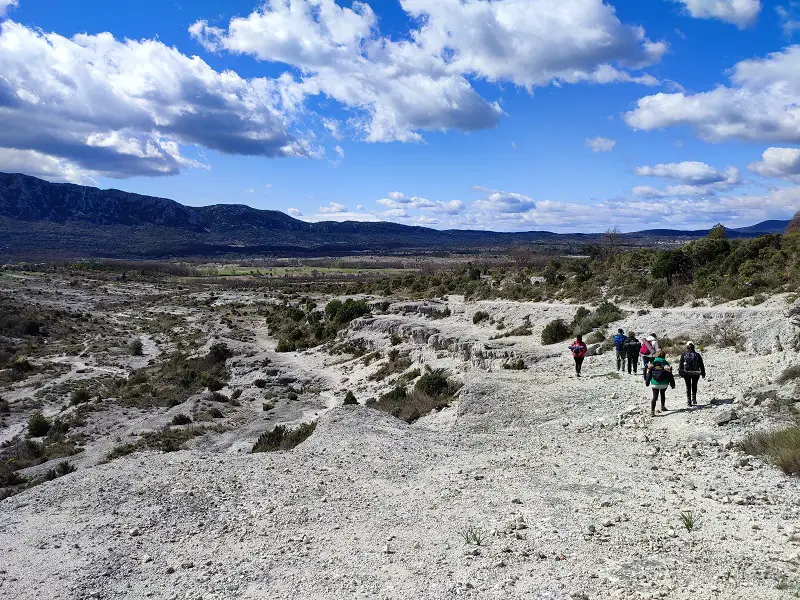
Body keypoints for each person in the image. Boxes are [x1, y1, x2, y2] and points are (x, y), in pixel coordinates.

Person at [646, 351, 675, 416]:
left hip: (654, 384)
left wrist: (647, 382)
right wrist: (672, 384)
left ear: (657, 356)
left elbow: (649, 374)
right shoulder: (666, 363)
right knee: (662, 393)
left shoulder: (653, 363)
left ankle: (652, 412)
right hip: (664, 384)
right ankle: (663, 407)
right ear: (664, 356)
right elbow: (670, 375)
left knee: (655, 396)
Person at [679, 341, 706, 406]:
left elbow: (681, 364)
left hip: (687, 373)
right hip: (696, 373)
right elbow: (701, 364)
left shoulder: (684, 354)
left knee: (688, 387)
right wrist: (703, 373)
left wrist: (681, 372)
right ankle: (694, 399)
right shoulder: (697, 354)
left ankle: (689, 402)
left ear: (687, 347)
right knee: (694, 385)